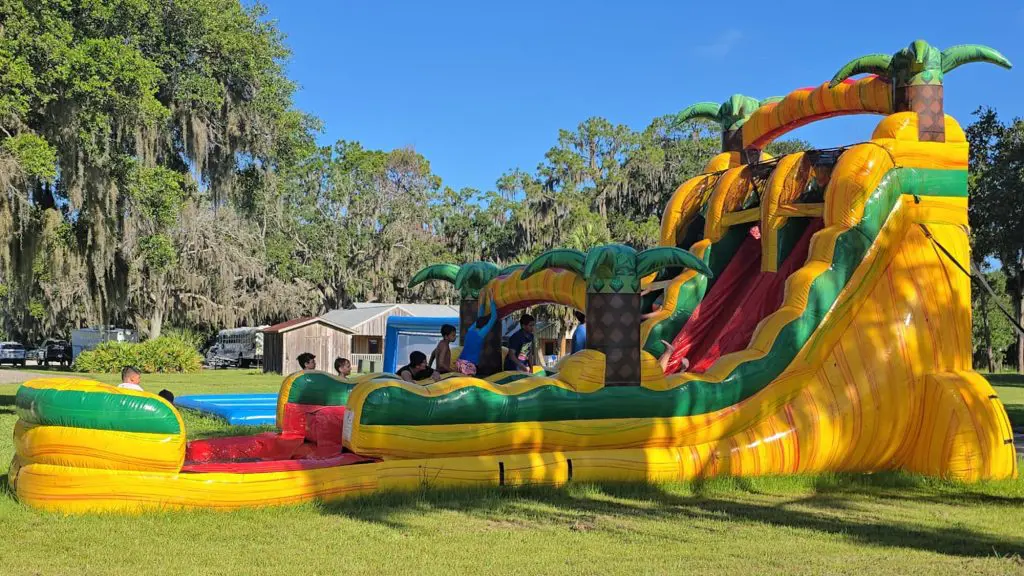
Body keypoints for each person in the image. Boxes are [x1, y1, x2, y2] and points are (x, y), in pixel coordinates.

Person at [454, 303, 498, 376]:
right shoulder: (481, 333)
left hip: (459, 362)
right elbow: (494, 317)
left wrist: (482, 303)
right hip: (468, 365)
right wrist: (492, 301)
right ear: (484, 326)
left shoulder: (470, 330)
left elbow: (479, 318)